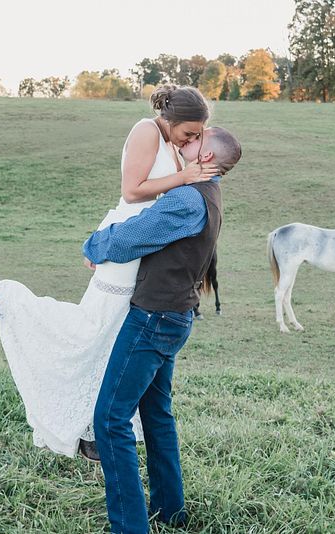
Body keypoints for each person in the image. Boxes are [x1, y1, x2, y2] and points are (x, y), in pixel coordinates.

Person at [0, 85, 215, 459]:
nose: (194, 140)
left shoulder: (171, 143)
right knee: (94, 324)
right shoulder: (147, 131)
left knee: (116, 330)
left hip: (143, 242)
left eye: (199, 134)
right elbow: (133, 191)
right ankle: (8, 304)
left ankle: (91, 430)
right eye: (190, 132)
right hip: (126, 238)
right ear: (170, 120)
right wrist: (185, 178)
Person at [85, 126, 241, 534]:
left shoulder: (188, 199)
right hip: (175, 315)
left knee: (110, 419)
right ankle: (171, 511)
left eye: (194, 140)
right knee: (156, 413)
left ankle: (129, 527)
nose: (185, 142)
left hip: (154, 318)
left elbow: (134, 237)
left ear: (205, 157)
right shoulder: (208, 193)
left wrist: (94, 246)